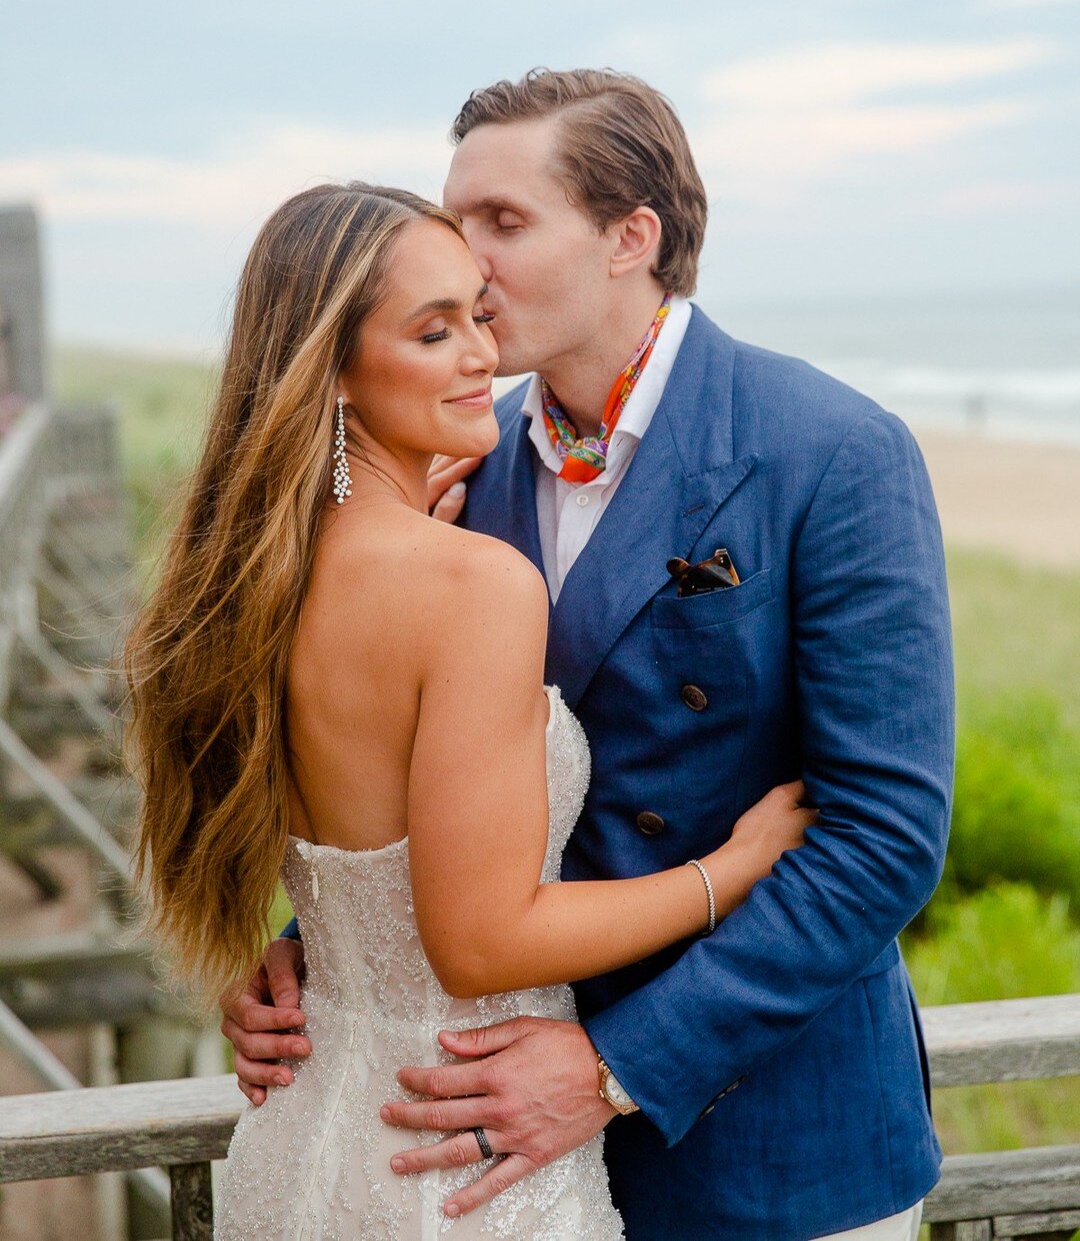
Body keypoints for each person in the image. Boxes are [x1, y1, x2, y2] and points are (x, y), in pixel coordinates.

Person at [223, 70, 955, 1241]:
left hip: (763, 1141)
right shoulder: (460, 472)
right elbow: (454, 776)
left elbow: (883, 837)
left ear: (631, 237)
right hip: (482, 1138)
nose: (467, 257)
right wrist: (327, 951)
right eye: (457, 220)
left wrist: (614, 1065)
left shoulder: (832, 448)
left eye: (504, 222)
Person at [125, 180, 815, 1239]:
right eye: (433, 330)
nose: (483, 357)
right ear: (337, 369)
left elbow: (355, 854)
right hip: (460, 1161)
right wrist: (729, 870)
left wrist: (297, 946)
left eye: (478, 318)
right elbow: (482, 941)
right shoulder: (473, 586)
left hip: (299, 1138)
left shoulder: (249, 578)